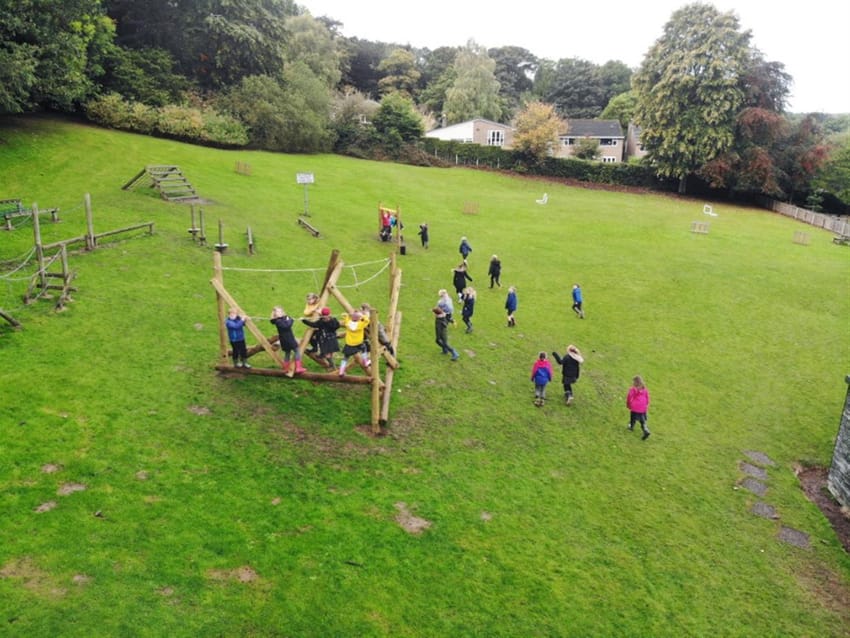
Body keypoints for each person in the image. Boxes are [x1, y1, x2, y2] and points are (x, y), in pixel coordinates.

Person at [270, 306, 307, 374]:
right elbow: (287, 326)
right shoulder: (278, 321)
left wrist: (288, 318)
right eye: (278, 312)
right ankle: (298, 368)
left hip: (284, 339)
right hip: (288, 339)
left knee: (287, 353)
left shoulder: (279, 320)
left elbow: (285, 320)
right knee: (297, 351)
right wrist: (290, 320)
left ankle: (286, 368)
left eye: (281, 311)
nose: (280, 313)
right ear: (275, 314)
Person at [338, 310, 370, 377]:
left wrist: (347, 315)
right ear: (359, 318)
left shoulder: (348, 323)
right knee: (364, 349)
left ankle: (341, 371)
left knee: (345, 357)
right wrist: (362, 315)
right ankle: (365, 362)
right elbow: (367, 320)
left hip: (349, 344)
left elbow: (346, 318)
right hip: (358, 342)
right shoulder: (361, 324)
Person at [626, 375, 651, 440]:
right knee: (642, 420)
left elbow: (629, 396)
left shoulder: (633, 389)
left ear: (635, 382)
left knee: (633, 417)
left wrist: (628, 404)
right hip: (643, 407)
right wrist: (646, 405)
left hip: (635, 406)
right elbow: (647, 398)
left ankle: (631, 426)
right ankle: (646, 430)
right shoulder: (645, 389)